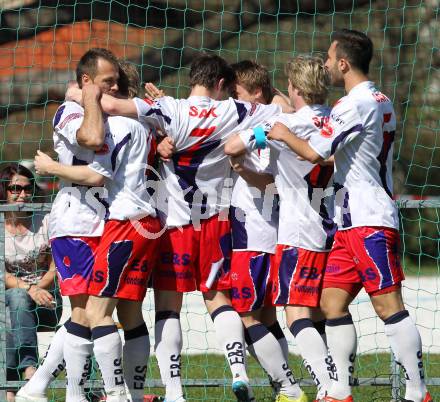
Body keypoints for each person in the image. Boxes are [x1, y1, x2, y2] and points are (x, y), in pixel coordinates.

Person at [66, 53, 289, 402]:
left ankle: (173, 390)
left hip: (174, 225)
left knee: (168, 307)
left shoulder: (171, 109)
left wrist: (76, 93)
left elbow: (112, 105)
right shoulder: (235, 110)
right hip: (216, 220)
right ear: (220, 85)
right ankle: (238, 372)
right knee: (219, 300)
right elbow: (285, 109)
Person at [267, 29, 431, 402]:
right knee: (331, 304)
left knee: (388, 304)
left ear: (343, 63)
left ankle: (416, 391)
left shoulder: (352, 104)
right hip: (348, 222)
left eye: (328, 59)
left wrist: (281, 131)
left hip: (368, 219)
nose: (325, 65)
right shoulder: (381, 98)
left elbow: (313, 153)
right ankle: (339, 389)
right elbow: (333, 152)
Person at [33, 60, 161, 402]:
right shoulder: (81, 112)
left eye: (115, 85)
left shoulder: (117, 124)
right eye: (107, 83)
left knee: (90, 314)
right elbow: (89, 135)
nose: (111, 90)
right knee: (107, 313)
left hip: (116, 222)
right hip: (95, 220)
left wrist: (49, 166)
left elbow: (96, 171)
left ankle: (112, 393)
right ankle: (83, 391)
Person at [225, 55, 336, 402]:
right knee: (317, 312)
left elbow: (232, 146)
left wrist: (265, 119)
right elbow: (271, 177)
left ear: (295, 87)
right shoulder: (335, 118)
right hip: (328, 224)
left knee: (295, 313)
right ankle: (326, 383)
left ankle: (328, 386)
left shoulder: (284, 124)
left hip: (297, 230)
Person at [1, 164, 62, 402]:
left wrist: (39, 289)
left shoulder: (44, 220)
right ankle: (28, 371)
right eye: (15, 188)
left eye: (27, 189)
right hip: (13, 300)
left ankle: (9, 383)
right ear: (4, 190)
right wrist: (29, 289)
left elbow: (57, 265)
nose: (22, 195)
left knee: (8, 315)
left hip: (46, 303)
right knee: (13, 304)